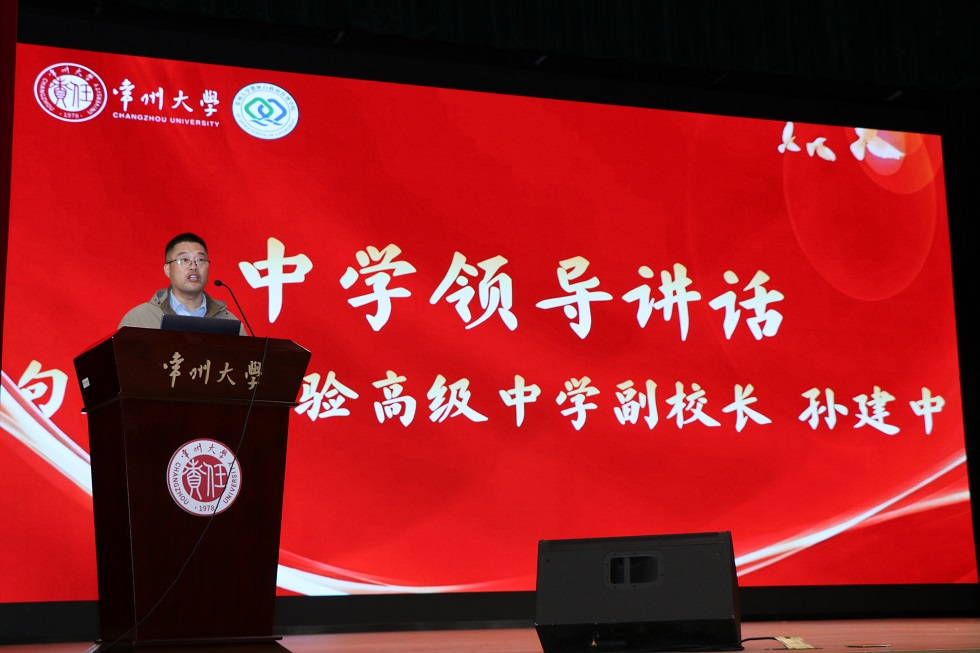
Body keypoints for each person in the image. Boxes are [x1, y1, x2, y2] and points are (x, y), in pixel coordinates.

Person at [119, 232, 246, 334]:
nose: (194, 266)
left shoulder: (229, 324)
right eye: (184, 260)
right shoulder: (138, 320)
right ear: (167, 269)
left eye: (200, 260)